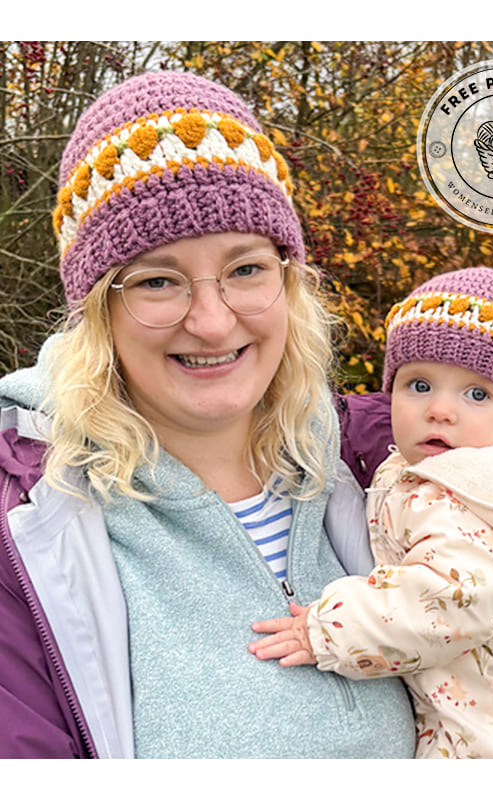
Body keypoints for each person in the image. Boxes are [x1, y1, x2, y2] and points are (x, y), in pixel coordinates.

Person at [0, 70, 416, 758]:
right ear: (98, 313)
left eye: (246, 269)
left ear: (290, 281)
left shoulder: (381, 462)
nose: (214, 321)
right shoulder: (31, 530)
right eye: (159, 281)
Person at [250, 267, 493, 759]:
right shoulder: (425, 470)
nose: (439, 410)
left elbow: (445, 599)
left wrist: (326, 630)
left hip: (490, 747)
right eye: (418, 385)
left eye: (477, 394)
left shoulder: (481, 497)